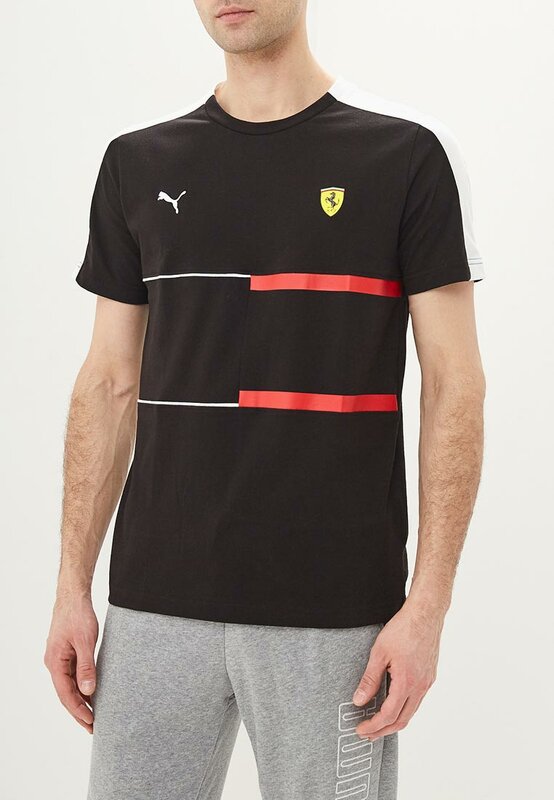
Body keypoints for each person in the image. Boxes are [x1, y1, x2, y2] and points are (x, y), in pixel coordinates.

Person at [44, 1, 486, 798]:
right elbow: (107, 381)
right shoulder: (136, 162)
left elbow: (454, 386)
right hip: (152, 607)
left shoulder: (405, 154)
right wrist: (71, 586)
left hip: (334, 613)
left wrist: (428, 607)